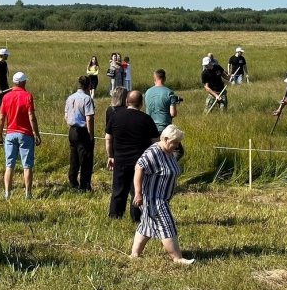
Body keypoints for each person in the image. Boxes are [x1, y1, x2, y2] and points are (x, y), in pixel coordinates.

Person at [130, 125, 193, 265]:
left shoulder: (168, 151)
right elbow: (139, 167)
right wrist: (138, 193)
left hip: (162, 198)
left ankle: (134, 254)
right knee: (167, 226)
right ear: (165, 139)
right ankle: (177, 258)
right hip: (154, 199)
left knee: (146, 226)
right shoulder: (153, 152)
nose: (177, 146)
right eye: (175, 142)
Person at [106, 90, 159, 220]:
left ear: (126, 101)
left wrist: (110, 155)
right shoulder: (146, 119)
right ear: (141, 103)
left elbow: (108, 138)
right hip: (140, 161)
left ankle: (115, 215)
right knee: (137, 189)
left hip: (120, 159)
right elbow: (155, 142)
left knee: (118, 189)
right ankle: (137, 217)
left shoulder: (115, 116)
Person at [0, 71, 41, 199]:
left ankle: (7, 193)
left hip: (10, 134)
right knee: (27, 166)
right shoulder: (27, 96)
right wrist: (36, 134)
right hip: (25, 134)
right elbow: (31, 117)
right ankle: (28, 193)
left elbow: (1, 118)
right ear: (22, 82)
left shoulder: (6, 97)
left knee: (9, 165)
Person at [65, 76, 96, 191]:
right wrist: (91, 135)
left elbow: (66, 115)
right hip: (83, 131)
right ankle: (84, 186)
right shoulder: (87, 99)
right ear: (88, 86)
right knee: (86, 159)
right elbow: (89, 118)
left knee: (74, 158)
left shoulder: (70, 97)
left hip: (72, 130)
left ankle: (73, 182)